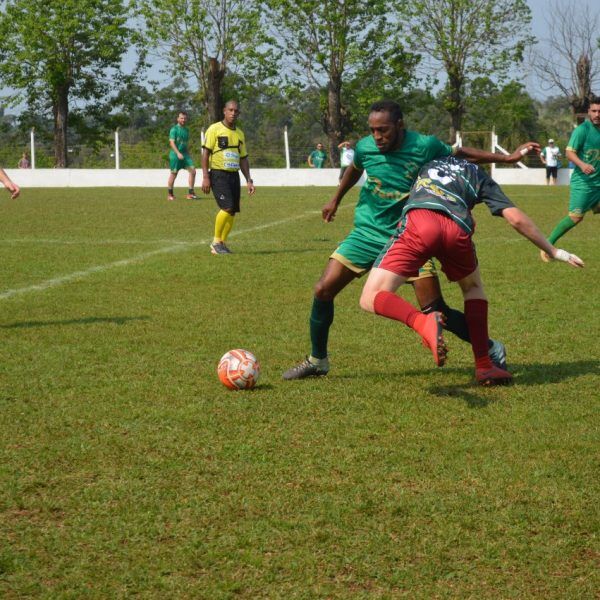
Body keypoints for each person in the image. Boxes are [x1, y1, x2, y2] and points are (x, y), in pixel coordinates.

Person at [283, 100, 540, 380]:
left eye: (384, 130)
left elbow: (460, 154)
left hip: (410, 235)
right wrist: (335, 198)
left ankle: (489, 347)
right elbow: (355, 169)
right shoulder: (366, 146)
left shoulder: (424, 146)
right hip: (368, 232)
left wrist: (507, 158)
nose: (377, 137)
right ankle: (318, 360)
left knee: (434, 308)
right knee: (323, 289)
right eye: (373, 130)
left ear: (400, 125)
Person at [359, 156, 584, 385]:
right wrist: (553, 251)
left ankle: (421, 322)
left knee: (371, 296)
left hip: (421, 220)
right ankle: (484, 366)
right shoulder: (479, 175)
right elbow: (515, 219)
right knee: (473, 288)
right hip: (457, 227)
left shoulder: (428, 160)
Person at [541, 97, 600, 261]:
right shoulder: (582, 130)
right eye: (594, 111)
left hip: (599, 183)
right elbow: (569, 153)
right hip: (584, 184)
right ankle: (547, 245)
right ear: (589, 112)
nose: (597, 114)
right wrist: (582, 165)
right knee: (575, 218)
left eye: (599, 111)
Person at [201, 100, 255, 255]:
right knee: (227, 207)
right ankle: (216, 241)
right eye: (230, 110)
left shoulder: (239, 134)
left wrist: (249, 180)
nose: (233, 113)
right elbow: (205, 154)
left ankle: (222, 243)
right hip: (218, 174)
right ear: (224, 111)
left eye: (236, 111)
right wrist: (206, 176)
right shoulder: (214, 129)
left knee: (232, 211)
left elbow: (243, 158)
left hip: (234, 175)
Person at [167, 111, 197, 201]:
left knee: (193, 171)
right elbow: (171, 142)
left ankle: (190, 193)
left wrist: (188, 154)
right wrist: (178, 153)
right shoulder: (174, 129)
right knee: (173, 174)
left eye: (184, 118)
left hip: (185, 155)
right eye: (181, 118)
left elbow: (184, 144)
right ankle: (170, 195)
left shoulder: (186, 130)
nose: (183, 120)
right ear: (178, 119)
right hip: (175, 155)